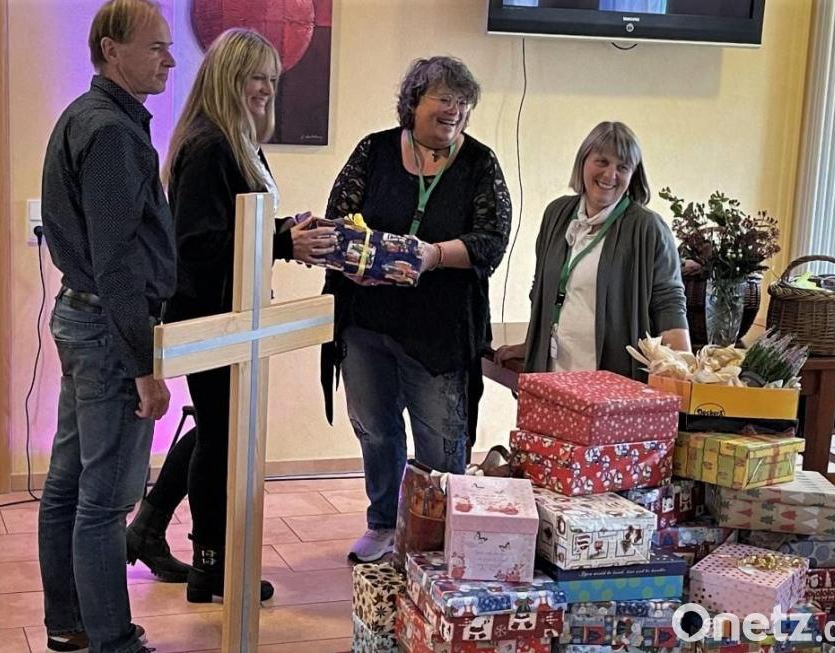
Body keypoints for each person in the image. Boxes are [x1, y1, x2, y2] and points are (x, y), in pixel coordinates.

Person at [128, 27, 335, 604]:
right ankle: (210, 566)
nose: (266, 88)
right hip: (213, 316)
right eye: (255, 78)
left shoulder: (235, 140)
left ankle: (151, 529)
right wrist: (284, 242)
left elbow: (238, 225)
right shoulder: (210, 146)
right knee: (222, 441)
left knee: (221, 431)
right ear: (227, 78)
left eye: (272, 78)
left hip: (234, 309)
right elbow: (198, 244)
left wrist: (288, 230)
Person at [322, 56, 512, 563]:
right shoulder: (374, 150)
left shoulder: (480, 163)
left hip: (439, 331)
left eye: (462, 102)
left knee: (442, 440)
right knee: (376, 430)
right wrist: (354, 262)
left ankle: (439, 538)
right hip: (367, 322)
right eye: (443, 98)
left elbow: (492, 241)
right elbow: (339, 221)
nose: (454, 110)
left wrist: (432, 255)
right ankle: (384, 523)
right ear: (413, 102)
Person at [37, 1, 175, 651]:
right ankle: (112, 641)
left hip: (82, 317)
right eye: (156, 47)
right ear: (111, 49)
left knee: (68, 485)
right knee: (104, 500)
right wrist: (144, 366)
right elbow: (117, 262)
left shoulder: (86, 116)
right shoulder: (112, 132)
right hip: (107, 327)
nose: (169, 60)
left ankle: (67, 625)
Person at [495, 121, 690, 377]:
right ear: (583, 161)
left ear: (633, 175)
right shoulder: (557, 213)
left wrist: (682, 370)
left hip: (610, 379)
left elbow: (669, 303)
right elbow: (541, 289)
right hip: (554, 371)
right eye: (602, 162)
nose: (610, 175)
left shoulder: (647, 228)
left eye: (622, 167)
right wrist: (532, 344)